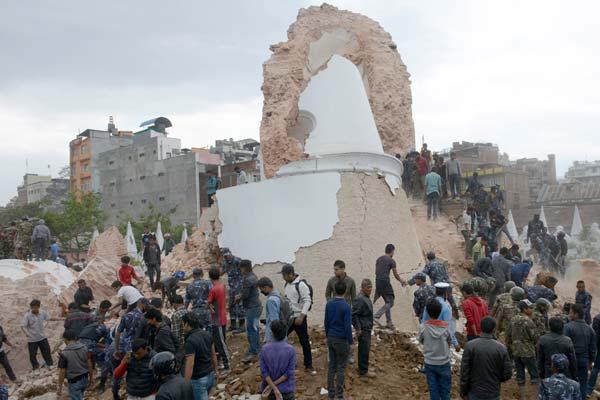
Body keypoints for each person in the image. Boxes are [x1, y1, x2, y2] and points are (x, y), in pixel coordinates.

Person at [460, 316, 512, 400]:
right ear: (494, 329)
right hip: (493, 392)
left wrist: (463, 392)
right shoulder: (501, 348)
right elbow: (507, 373)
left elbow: (464, 372)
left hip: (474, 392)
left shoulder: (470, 346)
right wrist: (496, 379)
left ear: (480, 327)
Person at [281, 264, 317, 375]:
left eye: (284, 275)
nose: (283, 277)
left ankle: (308, 365)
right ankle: (287, 362)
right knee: (281, 337)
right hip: (289, 318)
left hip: (299, 318)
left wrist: (302, 316)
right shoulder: (287, 284)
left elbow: (308, 300)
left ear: (291, 274)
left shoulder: (301, 285)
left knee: (304, 341)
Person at [324, 280, 353, 400]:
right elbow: (347, 326)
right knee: (341, 367)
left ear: (334, 290)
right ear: (345, 291)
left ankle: (331, 395)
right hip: (341, 339)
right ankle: (340, 396)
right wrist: (350, 341)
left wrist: (328, 335)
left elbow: (326, 321)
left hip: (331, 337)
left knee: (331, 367)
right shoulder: (346, 306)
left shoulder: (329, 304)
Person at [506, 299, 539, 399]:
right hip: (528, 352)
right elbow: (535, 337)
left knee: (520, 376)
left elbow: (508, 337)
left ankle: (523, 397)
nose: (532, 309)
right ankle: (534, 397)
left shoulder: (512, 320)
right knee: (534, 376)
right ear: (524, 309)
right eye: (530, 308)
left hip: (516, 352)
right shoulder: (529, 321)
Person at [419, 299, 452, 400]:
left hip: (430, 363)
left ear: (427, 312)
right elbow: (449, 341)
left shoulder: (423, 327)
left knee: (433, 391)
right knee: (445, 391)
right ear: (440, 311)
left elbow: (421, 341)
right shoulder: (446, 327)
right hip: (444, 362)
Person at [182, 313, 218, 400]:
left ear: (187, 324)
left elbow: (190, 365)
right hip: (210, 375)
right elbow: (213, 355)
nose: (182, 326)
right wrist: (216, 371)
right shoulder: (207, 334)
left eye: (183, 323)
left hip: (199, 379)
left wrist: (185, 385)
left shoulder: (190, 341)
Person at [564, 303, 596, 399]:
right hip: (584, 361)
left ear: (576, 314)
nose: (569, 315)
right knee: (582, 385)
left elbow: (564, 345)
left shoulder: (567, 327)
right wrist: (590, 361)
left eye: (570, 313)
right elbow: (593, 349)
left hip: (570, 360)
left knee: (568, 384)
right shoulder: (590, 330)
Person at [260, 320, 296, 400]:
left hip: (269, 392)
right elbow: (289, 373)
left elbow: (264, 372)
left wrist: (272, 387)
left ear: (272, 333)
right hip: (287, 391)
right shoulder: (290, 350)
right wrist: (274, 386)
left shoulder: (264, 349)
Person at [373, 244, 407, 329]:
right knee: (391, 302)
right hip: (385, 282)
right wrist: (401, 281)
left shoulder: (379, 259)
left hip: (378, 281)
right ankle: (376, 316)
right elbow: (395, 275)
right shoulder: (391, 261)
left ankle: (389, 322)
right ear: (392, 251)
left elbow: (376, 272)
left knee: (387, 302)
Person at [236, 260, 262, 363]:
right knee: (253, 329)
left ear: (244, 268)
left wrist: (238, 298)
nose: (240, 270)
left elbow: (245, 295)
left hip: (252, 308)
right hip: (255, 307)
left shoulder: (248, 279)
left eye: (241, 268)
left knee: (252, 329)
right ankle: (254, 348)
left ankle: (254, 351)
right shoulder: (253, 276)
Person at [57, 329, 93, 400]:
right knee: (80, 396)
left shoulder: (64, 353)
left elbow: (62, 371)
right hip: (85, 379)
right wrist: (91, 378)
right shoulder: (84, 348)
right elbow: (89, 363)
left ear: (65, 339)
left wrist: (60, 386)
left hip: (74, 382)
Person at [421, 283, 459, 349]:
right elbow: (449, 328)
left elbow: (423, 322)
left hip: (429, 339)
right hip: (441, 341)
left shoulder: (429, 304)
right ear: (446, 293)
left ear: (435, 292)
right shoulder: (446, 308)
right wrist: (455, 343)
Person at [207, 266, 230, 373]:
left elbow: (209, 303)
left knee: (220, 343)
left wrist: (208, 305)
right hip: (223, 318)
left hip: (217, 321)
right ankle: (222, 363)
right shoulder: (222, 286)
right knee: (220, 341)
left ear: (210, 277)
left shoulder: (213, 289)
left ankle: (227, 365)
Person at [21, 299, 55, 370]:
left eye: (35, 307)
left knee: (46, 351)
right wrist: (27, 333)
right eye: (32, 307)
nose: (33, 309)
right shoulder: (27, 315)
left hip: (42, 336)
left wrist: (59, 319)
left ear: (38, 307)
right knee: (33, 355)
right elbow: (23, 326)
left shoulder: (42, 312)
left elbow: (49, 318)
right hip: (32, 339)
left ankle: (50, 364)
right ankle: (35, 367)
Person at [352, 279, 374, 379]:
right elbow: (354, 315)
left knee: (364, 349)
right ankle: (363, 371)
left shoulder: (365, 297)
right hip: (363, 329)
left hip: (367, 328)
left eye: (371, 287)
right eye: (368, 287)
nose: (370, 289)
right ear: (363, 287)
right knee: (364, 350)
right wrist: (358, 329)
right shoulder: (360, 299)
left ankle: (363, 368)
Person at [221, 249, 245, 332]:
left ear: (230, 253)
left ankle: (242, 326)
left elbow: (244, 271)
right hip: (232, 287)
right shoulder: (225, 263)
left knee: (240, 305)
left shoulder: (238, 260)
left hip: (240, 286)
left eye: (227, 255)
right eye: (224, 256)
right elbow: (222, 272)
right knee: (231, 305)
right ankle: (233, 325)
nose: (226, 257)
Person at [257, 277, 282, 343]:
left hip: (273, 335)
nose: (261, 292)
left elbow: (274, 321)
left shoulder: (271, 300)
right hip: (281, 331)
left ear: (265, 287)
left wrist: (269, 338)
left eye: (261, 289)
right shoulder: (278, 294)